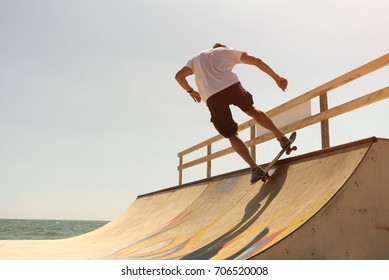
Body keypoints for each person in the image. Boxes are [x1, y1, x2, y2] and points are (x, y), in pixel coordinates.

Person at [175, 43, 290, 184]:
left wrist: (191, 91)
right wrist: (276, 78)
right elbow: (257, 61)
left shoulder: (196, 58)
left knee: (231, 134)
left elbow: (179, 76)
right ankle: (281, 137)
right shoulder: (227, 51)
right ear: (221, 47)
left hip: (211, 96)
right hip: (232, 86)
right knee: (251, 110)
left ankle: (255, 169)